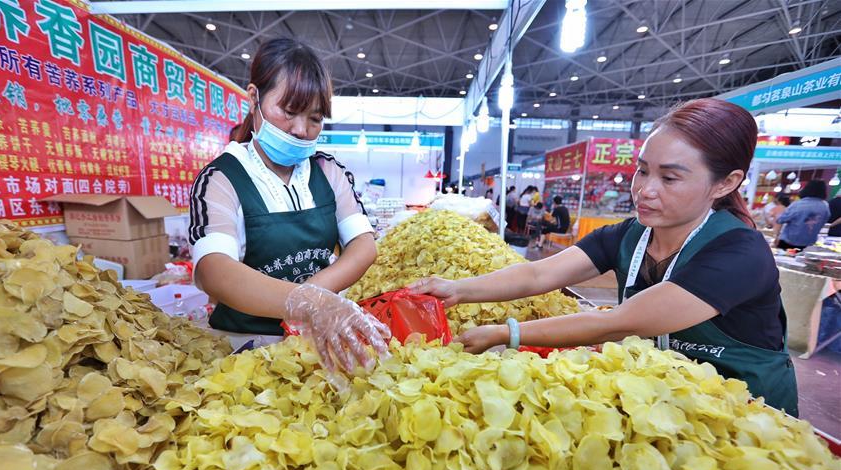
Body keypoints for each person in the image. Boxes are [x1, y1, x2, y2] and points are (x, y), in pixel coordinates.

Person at [410, 98, 798, 415]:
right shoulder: (631, 235)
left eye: (669, 178)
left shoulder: (739, 253)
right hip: (667, 402)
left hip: (746, 409)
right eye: (642, 171)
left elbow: (618, 324)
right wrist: (456, 288)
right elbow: (535, 277)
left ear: (726, 183)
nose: (645, 190)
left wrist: (506, 333)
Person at [189, 38, 389, 372]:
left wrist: (313, 299)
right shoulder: (221, 178)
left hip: (315, 339)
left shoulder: (328, 171)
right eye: (289, 112)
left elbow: (363, 246)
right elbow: (214, 270)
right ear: (254, 97)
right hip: (241, 349)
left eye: (314, 118)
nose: (300, 130)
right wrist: (306, 302)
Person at [774, 180, 830, 250]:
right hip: (809, 244)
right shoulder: (825, 206)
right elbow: (824, 221)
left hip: (789, 242)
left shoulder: (798, 204)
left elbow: (780, 220)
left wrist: (776, 236)